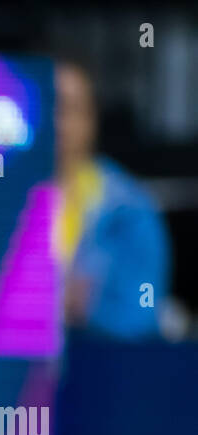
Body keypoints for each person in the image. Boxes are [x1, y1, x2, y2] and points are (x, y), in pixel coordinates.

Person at [55, 59, 172, 340]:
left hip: (102, 367)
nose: (57, 122)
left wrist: (86, 305)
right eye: (48, 105)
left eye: (69, 109)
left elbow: (143, 314)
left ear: (91, 119)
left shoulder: (130, 208)